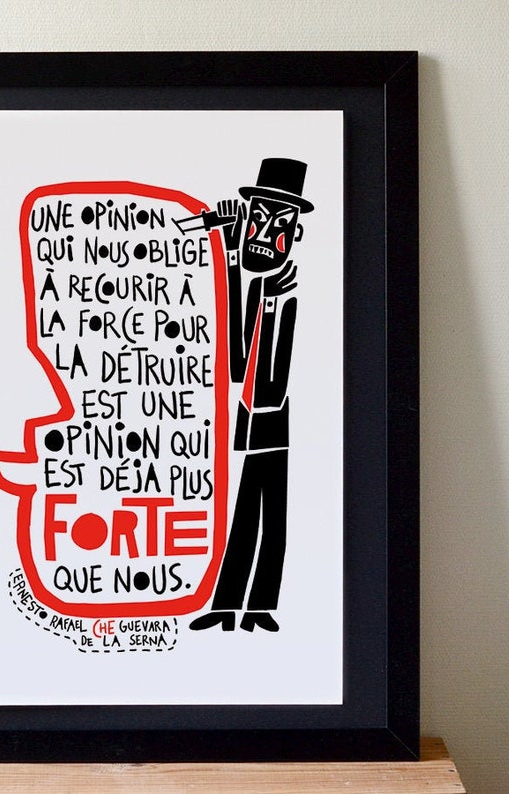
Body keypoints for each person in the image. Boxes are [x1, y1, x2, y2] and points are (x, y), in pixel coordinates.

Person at [189, 158, 314, 633]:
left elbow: (268, 378)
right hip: (245, 414)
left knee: (270, 509)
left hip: (269, 416)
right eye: (256, 219)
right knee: (242, 509)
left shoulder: (285, 290)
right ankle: (226, 604)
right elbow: (235, 356)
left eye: (280, 225)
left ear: (295, 234)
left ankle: (259, 605)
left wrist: (270, 301)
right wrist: (224, 246)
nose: (263, 234)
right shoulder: (256, 283)